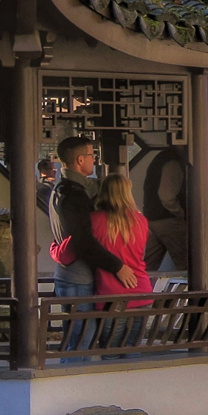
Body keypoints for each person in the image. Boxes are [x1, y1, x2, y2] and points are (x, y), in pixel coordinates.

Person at [48, 137, 134, 349]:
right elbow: (83, 241)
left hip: (72, 274)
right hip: (77, 277)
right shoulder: (72, 194)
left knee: (80, 339)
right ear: (80, 159)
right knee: (80, 342)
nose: (94, 160)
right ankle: (73, 379)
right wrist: (118, 266)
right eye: (91, 155)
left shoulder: (63, 189)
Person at [90, 173, 152, 345]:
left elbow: (87, 250)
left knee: (110, 351)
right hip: (141, 289)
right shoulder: (141, 220)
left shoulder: (95, 220)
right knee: (132, 349)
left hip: (111, 293)